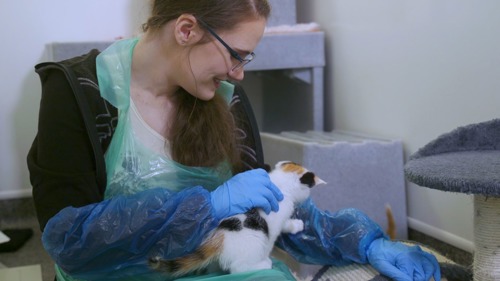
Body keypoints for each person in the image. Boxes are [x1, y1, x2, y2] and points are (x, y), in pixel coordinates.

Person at [27, 1, 441, 280]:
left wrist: (365, 244)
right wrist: (206, 206)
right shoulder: (78, 92)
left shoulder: (223, 98)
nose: (240, 73)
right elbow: (68, 241)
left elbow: (271, 208)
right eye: (236, 55)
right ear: (186, 29)